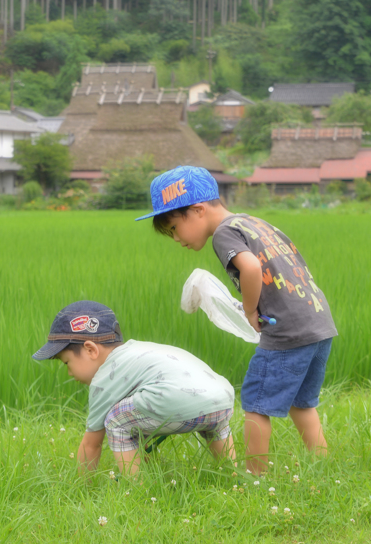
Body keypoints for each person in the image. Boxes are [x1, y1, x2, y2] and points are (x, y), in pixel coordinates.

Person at [137, 166, 337, 474]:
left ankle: (256, 478)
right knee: (302, 403)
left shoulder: (223, 233)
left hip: (287, 331)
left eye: (174, 227)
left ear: (198, 210)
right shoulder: (254, 223)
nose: (175, 238)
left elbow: (252, 268)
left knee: (256, 405)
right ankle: (324, 468)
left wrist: (249, 309)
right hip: (318, 321)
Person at [33, 300, 236, 476]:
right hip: (221, 399)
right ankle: (234, 475)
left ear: (90, 350)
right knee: (134, 414)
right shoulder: (137, 351)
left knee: (115, 419)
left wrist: (80, 487)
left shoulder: (105, 377)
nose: (69, 373)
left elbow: (91, 444)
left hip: (181, 399)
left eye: (67, 363)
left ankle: (138, 490)